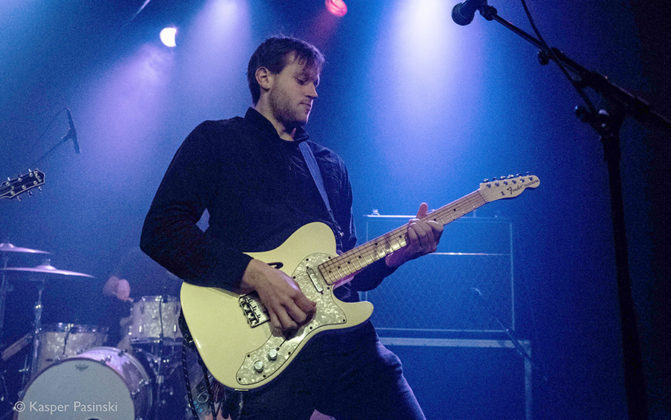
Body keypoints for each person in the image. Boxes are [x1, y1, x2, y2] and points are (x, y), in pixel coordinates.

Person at [140, 35, 443, 419]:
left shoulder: (329, 165)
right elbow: (161, 230)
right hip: (269, 345)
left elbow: (349, 271)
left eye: (316, 82)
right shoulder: (217, 140)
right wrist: (254, 274)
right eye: (302, 80)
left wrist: (398, 256)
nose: (313, 92)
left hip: (348, 347)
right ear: (264, 77)